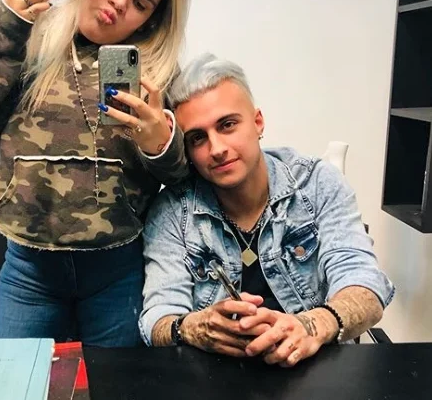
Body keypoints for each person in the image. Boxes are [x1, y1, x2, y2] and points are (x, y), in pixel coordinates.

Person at [0, 0, 191, 347]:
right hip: (29, 269)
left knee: (117, 383)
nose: (120, 2)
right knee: (4, 380)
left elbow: (186, 180)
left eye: (140, 2)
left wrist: (159, 144)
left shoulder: (156, 71)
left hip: (119, 270)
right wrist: (3, 28)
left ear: (152, 17)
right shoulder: (27, 38)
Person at [139, 53, 394, 366]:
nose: (217, 149)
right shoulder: (172, 211)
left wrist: (312, 326)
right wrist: (193, 328)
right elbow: (157, 319)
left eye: (227, 125)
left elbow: (365, 285)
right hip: (214, 378)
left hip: (315, 371)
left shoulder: (316, 184)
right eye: (197, 138)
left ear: (258, 122)